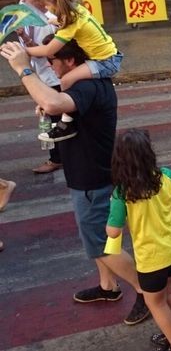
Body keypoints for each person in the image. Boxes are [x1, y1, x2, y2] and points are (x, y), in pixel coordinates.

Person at [0, 40, 150, 326]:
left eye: (52, 60)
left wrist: (22, 68)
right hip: (85, 174)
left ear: (70, 61)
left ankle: (144, 290)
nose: (49, 66)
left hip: (93, 178)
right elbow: (56, 106)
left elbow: (53, 102)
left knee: (100, 243)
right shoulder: (84, 82)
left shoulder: (88, 86)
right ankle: (108, 286)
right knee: (95, 236)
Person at [106, 129, 171, 351]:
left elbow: (113, 232)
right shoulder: (168, 176)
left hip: (151, 258)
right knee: (169, 292)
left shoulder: (122, 193)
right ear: (149, 153)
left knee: (156, 303)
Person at [25, 0, 123, 143]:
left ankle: (66, 122)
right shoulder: (77, 10)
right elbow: (68, 22)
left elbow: (50, 50)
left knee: (66, 80)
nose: (46, 8)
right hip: (110, 55)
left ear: (56, 4)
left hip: (105, 62)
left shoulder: (70, 24)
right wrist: (55, 20)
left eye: (47, 5)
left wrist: (25, 51)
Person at [15, 0, 62, 173]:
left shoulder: (50, 19)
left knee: (55, 118)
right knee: (50, 118)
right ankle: (57, 157)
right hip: (42, 76)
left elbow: (45, 51)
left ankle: (57, 158)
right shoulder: (24, 16)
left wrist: (23, 49)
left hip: (54, 76)